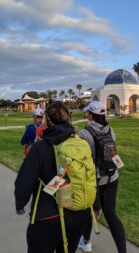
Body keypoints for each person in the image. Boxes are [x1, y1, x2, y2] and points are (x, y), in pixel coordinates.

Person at [15, 102, 93, 253]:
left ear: (47, 120)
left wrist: (20, 203)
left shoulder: (40, 146)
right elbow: (89, 175)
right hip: (78, 213)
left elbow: (24, 180)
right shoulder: (81, 143)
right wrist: (95, 205)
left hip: (47, 216)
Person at [78, 101, 127, 253]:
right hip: (113, 177)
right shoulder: (110, 130)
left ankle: (86, 243)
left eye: (88, 113)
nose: (86, 115)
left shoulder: (84, 133)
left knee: (89, 212)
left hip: (95, 180)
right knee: (111, 215)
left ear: (91, 115)